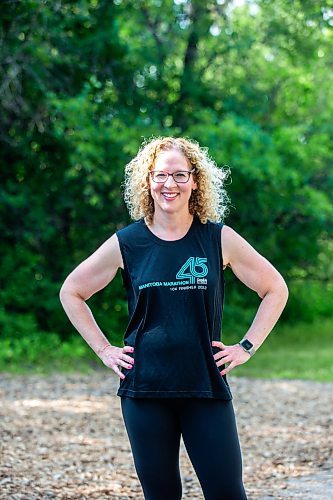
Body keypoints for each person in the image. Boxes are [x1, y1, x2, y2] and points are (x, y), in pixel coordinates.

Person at [59, 136, 289, 500]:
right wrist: (104, 350)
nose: (170, 184)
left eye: (180, 175)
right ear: (147, 181)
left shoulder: (217, 238)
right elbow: (71, 291)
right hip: (145, 392)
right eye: (161, 175)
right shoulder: (128, 242)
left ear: (195, 180)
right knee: (161, 494)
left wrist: (246, 346)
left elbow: (275, 288)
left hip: (205, 386)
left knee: (227, 492)